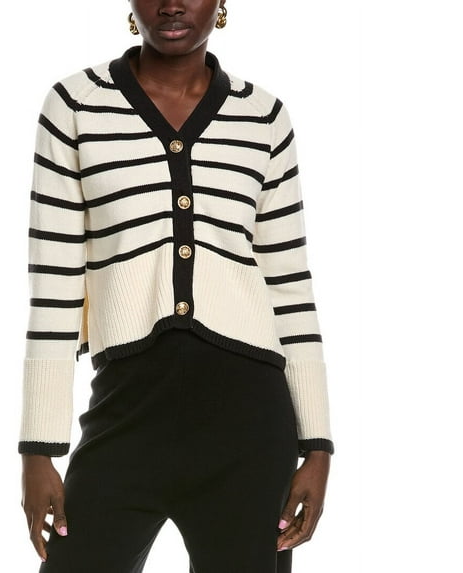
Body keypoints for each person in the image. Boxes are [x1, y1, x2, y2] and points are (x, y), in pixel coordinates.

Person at [19, 1, 335, 572]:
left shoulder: (263, 117)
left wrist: (316, 446)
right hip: (126, 410)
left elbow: (289, 283)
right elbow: (54, 283)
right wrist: (38, 450)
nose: (171, 3)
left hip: (248, 420)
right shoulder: (75, 105)